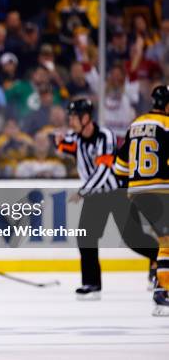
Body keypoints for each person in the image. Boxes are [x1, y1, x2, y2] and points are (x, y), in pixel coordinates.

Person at [55, 99, 158, 300]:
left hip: (117, 193)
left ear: (86, 118)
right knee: (85, 238)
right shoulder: (75, 137)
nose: (71, 121)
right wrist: (58, 141)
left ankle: (159, 258)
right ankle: (91, 283)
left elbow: (104, 170)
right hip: (95, 196)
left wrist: (83, 191)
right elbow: (63, 145)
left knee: (133, 239)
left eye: (74, 117)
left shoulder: (106, 136)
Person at [114, 85, 169, 316]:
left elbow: (120, 167)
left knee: (165, 240)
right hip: (160, 189)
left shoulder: (136, 124)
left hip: (137, 192)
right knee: (167, 241)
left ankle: (161, 286)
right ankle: (162, 291)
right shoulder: (167, 124)